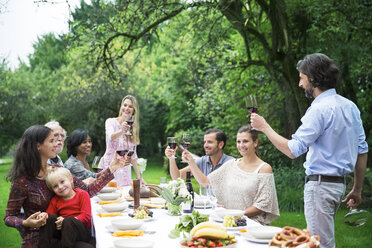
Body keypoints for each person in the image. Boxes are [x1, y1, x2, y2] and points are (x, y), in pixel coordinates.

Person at [250, 53, 368, 247]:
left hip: (320, 187)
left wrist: (264, 127)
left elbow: (293, 150)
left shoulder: (319, 109)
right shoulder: (350, 107)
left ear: (312, 78)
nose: (299, 84)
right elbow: (362, 151)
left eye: (301, 78)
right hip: (338, 186)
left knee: (318, 244)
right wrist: (357, 188)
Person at [4, 125, 127, 248]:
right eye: (51, 141)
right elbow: (9, 217)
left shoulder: (58, 171)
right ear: (38, 146)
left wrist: (113, 167)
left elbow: (88, 190)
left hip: (67, 233)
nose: (57, 143)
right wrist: (26, 222)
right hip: (40, 237)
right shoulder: (22, 182)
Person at [182, 125, 279, 225]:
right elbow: (206, 182)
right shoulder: (231, 164)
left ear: (255, 143)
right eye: (238, 142)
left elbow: (263, 204)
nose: (241, 145)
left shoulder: (264, 168)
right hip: (229, 222)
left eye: (245, 141)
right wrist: (191, 162)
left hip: (252, 223)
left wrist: (235, 214)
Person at [38, 167, 91, 248]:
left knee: (68, 220)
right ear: (52, 189)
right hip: (63, 231)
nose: (60, 187)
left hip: (81, 231)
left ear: (71, 179)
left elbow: (86, 215)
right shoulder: (55, 200)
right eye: (55, 186)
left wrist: (66, 221)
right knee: (48, 218)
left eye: (62, 182)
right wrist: (44, 216)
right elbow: (50, 216)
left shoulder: (82, 194)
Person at [98, 95, 142, 186]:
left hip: (125, 170)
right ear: (121, 106)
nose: (126, 108)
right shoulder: (110, 122)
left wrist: (139, 177)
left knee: (124, 196)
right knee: (108, 196)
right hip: (110, 166)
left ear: (134, 110)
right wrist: (122, 131)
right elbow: (111, 137)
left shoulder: (133, 129)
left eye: (130, 106)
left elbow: (133, 155)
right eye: (125, 105)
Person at [165, 128, 234, 180]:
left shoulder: (231, 163)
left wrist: (192, 162)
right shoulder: (202, 161)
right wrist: (171, 158)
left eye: (209, 142)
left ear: (221, 144)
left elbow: (208, 183)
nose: (205, 145)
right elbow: (176, 177)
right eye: (205, 142)